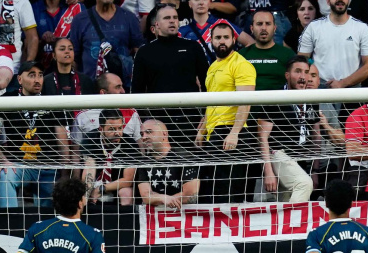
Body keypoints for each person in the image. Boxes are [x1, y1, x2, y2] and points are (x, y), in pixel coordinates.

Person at [0, 61, 70, 208]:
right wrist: (4, 161)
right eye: (32, 75)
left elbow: (63, 144)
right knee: (5, 176)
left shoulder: (53, 102)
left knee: (55, 205)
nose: (37, 80)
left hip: (48, 167)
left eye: (40, 75)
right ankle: (9, 223)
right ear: (20, 79)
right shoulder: (5, 101)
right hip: (18, 166)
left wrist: (64, 175)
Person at [133, 4, 208, 147]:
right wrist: (146, 122)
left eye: (175, 17)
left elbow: (207, 84)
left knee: (190, 162)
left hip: (191, 119)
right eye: (167, 18)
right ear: (157, 24)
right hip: (158, 120)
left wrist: (205, 116)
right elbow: (137, 91)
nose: (173, 21)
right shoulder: (144, 52)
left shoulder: (193, 47)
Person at [199, 20, 256, 203]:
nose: (221, 41)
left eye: (226, 37)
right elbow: (211, 102)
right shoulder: (212, 67)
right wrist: (202, 130)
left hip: (231, 133)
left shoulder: (241, 64)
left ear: (234, 39)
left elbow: (245, 102)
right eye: (218, 38)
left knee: (230, 195)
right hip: (215, 135)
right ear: (211, 40)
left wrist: (234, 133)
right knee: (215, 193)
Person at [297, 0, 368, 125]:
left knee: (352, 138)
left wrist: (342, 83)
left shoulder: (362, 28)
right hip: (320, 90)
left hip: (352, 91)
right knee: (320, 139)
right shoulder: (313, 27)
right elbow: (301, 62)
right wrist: (314, 78)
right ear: (328, 1)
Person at [254, 56, 315, 202]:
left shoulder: (312, 97)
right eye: (298, 71)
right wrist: (268, 171)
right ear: (287, 75)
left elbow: (315, 135)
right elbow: (262, 136)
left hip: (300, 158)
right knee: (304, 184)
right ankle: (294, 224)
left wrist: (315, 169)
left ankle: (285, 224)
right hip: (278, 154)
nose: (302, 77)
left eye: (306, 72)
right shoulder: (276, 97)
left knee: (285, 202)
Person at [68, 0, 146, 86]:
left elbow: (139, 53)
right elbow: (73, 58)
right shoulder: (80, 20)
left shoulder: (129, 18)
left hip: (122, 87)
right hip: (90, 87)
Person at [137, 119, 200, 209]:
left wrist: (167, 200)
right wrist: (164, 198)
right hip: (155, 219)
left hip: (186, 216)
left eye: (149, 132)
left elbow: (190, 195)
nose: (144, 137)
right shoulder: (144, 162)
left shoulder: (184, 156)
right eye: (142, 134)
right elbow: (146, 196)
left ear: (164, 134)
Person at [80, 109, 138, 205]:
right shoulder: (90, 139)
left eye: (120, 128)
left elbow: (128, 180)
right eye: (112, 129)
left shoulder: (130, 144)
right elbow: (89, 169)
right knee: (83, 193)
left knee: (126, 192)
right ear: (101, 129)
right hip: (95, 184)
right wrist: (88, 193)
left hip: (118, 186)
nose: (117, 133)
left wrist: (101, 189)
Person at [71, 72, 142, 145]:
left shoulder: (131, 112)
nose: (123, 91)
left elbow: (140, 146)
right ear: (103, 93)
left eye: (122, 86)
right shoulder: (83, 116)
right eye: (118, 87)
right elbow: (76, 151)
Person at [240, 10, 296, 91]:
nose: (263, 28)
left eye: (268, 24)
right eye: (259, 24)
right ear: (252, 29)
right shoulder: (241, 55)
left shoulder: (288, 55)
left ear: (274, 28)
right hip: (249, 102)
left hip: (279, 102)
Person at [32, 0, 84, 69]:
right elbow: (27, 44)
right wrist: (42, 41)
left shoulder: (76, 7)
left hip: (73, 69)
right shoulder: (33, 8)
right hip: (42, 70)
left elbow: (86, 41)